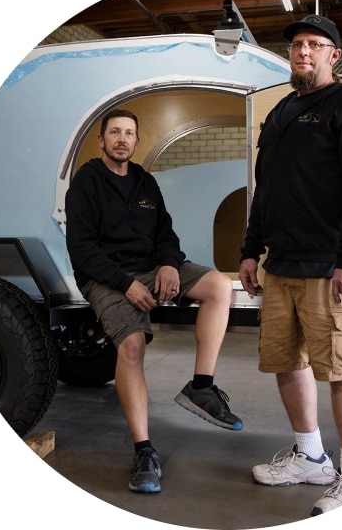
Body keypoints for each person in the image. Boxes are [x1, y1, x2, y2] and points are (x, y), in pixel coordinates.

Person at [238, 15, 342, 515]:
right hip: (281, 264)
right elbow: (266, 190)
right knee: (285, 362)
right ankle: (310, 455)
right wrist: (250, 250)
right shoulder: (280, 113)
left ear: (333, 55)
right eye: (297, 45)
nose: (303, 52)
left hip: (330, 267)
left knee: (341, 367)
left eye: (314, 45)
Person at [65, 108, 243, 494]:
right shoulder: (86, 182)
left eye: (129, 133)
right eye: (115, 132)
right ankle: (144, 451)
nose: (122, 139)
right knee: (131, 346)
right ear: (101, 141)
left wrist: (167, 264)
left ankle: (201, 385)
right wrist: (125, 283)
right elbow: (81, 250)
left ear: (137, 140)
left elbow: (166, 232)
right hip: (106, 277)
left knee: (219, 287)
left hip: (151, 267)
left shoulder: (145, 182)